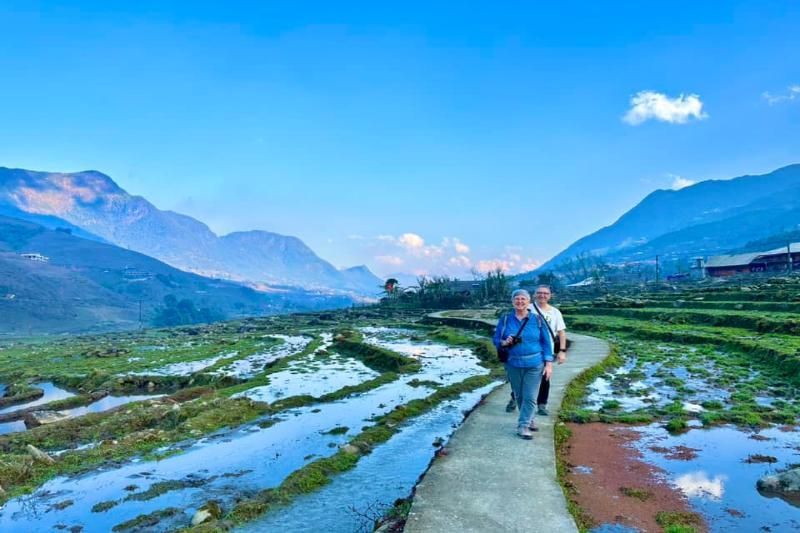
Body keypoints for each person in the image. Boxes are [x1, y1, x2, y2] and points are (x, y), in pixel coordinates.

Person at [493, 289, 554, 439]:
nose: (520, 302)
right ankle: (530, 418)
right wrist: (503, 342)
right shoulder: (506, 319)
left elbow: (547, 343)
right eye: (517, 299)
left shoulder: (538, 320)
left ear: (528, 302)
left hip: (535, 363)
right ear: (512, 301)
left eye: (523, 299)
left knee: (530, 396)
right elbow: (496, 339)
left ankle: (523, 425)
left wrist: (548, 364)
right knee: (519, 395)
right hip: (513, 363)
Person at [505, 285, 567, 416]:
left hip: (546, 349)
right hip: (526, 349)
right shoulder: (527, 307)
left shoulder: (555, 312)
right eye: (539, 293)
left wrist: (562, 350)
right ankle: (515, 397)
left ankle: (542, 404)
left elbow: (561, 332)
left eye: (545, 293)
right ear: (534, 295)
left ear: (550, 296)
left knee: (545, 376)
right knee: (521, 377)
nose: (542, 295)